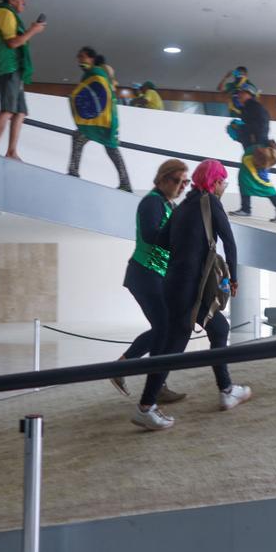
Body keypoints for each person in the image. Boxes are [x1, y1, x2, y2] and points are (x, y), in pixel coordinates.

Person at [132, 160, 252, 431]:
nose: (223, 187)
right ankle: (146, 406)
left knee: (219, 328)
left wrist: (189, 243)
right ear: (215, 182)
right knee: (174, 345)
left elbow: (161, 240)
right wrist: (233, 277)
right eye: (222, 182)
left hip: (174, 283)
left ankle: (227, 389)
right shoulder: (210, 202)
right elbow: (229, 242)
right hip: (191, 287)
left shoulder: (184, 205)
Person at [110, 159, 191, 404]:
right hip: (145, 274)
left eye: (185, 182)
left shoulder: (167, 204)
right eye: (176, 181)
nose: (182, 186)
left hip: (156, 275)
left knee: (164, 329)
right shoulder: (152, 202)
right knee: (166, 328)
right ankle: (140, 376)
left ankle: (146, 378)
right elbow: (151, 235)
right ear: (162, 179)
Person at [0, 0, 46, 159]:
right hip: (9, 68)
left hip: (9, 68)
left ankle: (11, 151)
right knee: (7, 110)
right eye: (22, 1)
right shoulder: (6, 14)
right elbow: (12, 43)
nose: (24, 5)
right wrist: (33, 31)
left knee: (20, 112)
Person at [66, 47, 132, 190]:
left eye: (82, 56)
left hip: (103, 120)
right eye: (78, 57)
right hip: (98, 121)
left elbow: (102, 95)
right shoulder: (91, 74)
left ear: (92, 58)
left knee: (111, 147)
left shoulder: (97, 73)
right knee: (80, 137)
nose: (79, 59)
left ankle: (125, 183)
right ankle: (73, 171)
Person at [228, 83, 276, 222]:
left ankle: (275, 208)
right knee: (250, 178)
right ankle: (274, 208)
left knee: (256, 179)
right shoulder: (248, 108)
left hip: (255, 149)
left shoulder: (254, 107)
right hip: (254, 148)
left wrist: (242, 128)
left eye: (242, 92)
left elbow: (261, 126)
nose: (239, 95)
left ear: (250, 94)